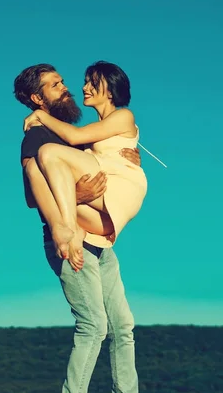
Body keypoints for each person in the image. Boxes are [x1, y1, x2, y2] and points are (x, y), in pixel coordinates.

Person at [14, 63, 162, 393]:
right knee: (93, 325)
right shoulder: (39, 135)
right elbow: (33, 192)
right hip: (70, 239)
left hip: (99, 242)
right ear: (37, 99)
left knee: (122, 324)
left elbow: (105, 147)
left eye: (65, 82)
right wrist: (65, 227)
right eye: (56, 85)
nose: (67, 88)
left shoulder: (72, 135)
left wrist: (123, 159)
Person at [22, 60, 147, 272]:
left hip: (119, 188)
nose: (83, 87)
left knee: (48, 152)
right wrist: (76, 195)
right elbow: (33, 196)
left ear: (110, 91)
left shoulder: (124, 115)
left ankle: (67, 229)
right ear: (36, 97)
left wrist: (40, 115)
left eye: (92, 83)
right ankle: (71, 230)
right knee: (35, 166)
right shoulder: (45, 136)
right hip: (100, 222)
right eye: (86, 82)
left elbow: (74, 136)